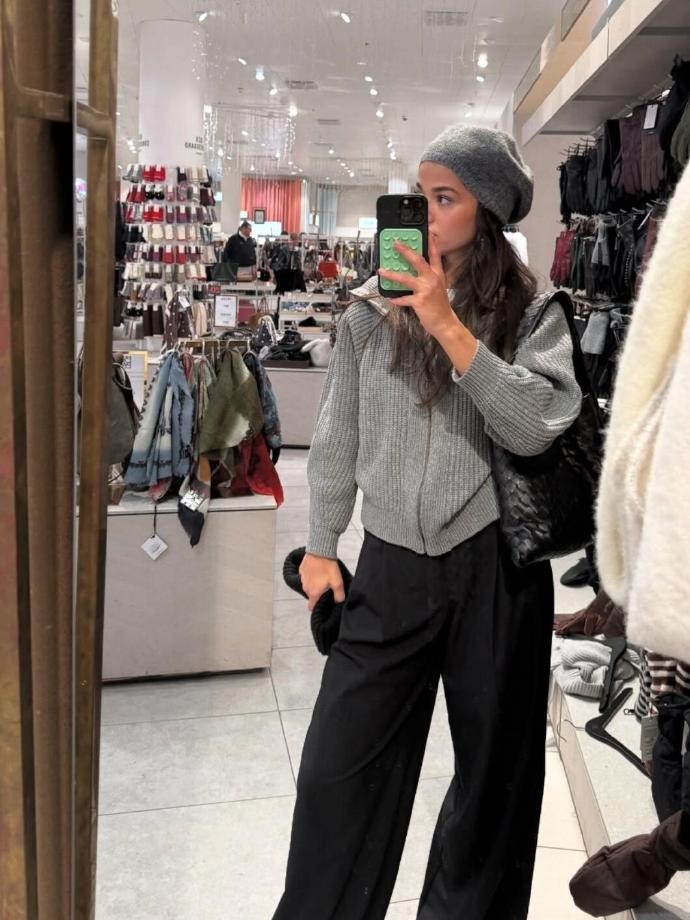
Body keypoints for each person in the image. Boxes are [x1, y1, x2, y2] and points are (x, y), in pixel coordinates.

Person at [271, 124, 582, 920]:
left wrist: (448, 324)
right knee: (336, 775)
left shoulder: (535, 312)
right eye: (420, 196)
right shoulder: (368, 313)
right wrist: (320, 547)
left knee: (493, 788)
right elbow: (336, 439)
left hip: (497, 572)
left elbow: (536, 426)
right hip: (390, 569)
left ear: (489, 211)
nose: (426, 215)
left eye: (446, 199)